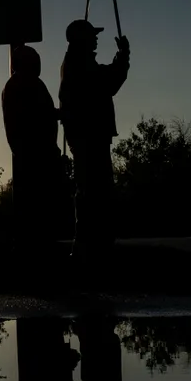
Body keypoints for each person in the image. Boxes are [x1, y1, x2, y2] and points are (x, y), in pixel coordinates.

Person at [58, 20, 130, 261]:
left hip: (87, 135)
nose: (96, 38)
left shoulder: (77, 62)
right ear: (81, 38)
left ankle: (91, 244)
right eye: (92, 34)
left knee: (93, 188)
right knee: (94, 189)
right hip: (89, 135)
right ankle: (90, 245)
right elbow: (108, 82)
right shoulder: (79, 63)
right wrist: (123, 57)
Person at [3, 46, 62, 252]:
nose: (38, 63)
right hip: (35, 153)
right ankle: (36, 246)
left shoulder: (21, 84)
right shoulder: (23, 84)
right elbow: (34, 116)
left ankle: (37, 243)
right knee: (38, 203)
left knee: (40, 203)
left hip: (35, 151)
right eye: (34, 59)